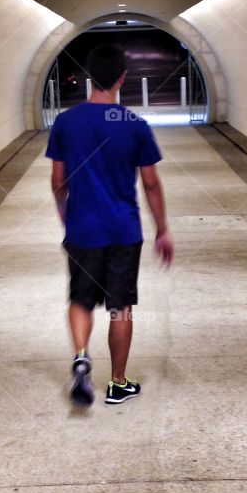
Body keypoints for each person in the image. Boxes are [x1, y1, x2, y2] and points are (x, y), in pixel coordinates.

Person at [46, 41, 174, 407]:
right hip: (123, 230)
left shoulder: (67, 122)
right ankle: (117, 383)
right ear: (122, 77)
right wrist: (162, 229)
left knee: (81, 299)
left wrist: (63, 211)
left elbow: (58, 180)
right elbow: (150, 183)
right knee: (120, 307)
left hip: (83, 229)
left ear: (88, 76)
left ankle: (82, 356)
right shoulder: (134, 125)